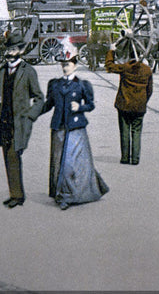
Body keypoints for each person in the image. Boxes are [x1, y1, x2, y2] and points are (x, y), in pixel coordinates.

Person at [39, 56, 109, 210]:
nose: (65, 67)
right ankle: (62, 193)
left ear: (75, 66)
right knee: (58, 161)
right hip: (58, 127)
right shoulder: (54, 84)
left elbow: (90, 105)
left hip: (76, 128)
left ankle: (67, 196)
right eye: (63, 64)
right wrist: (31, 113)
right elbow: (48, 104)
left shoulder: (83, 85)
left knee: (71, 163)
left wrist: (80, 108)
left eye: (68, 65)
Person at [0, 29, 44, 208]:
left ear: (20, 50)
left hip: (19, 123)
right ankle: (15, 194)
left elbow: (39, 98)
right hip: (2, 120)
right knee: (8, 157)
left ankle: (18, 195)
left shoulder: (28, 71)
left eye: (13, 50)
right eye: (8, 49)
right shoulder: (1, 71)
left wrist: (30, 116)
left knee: (13, 156)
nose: (10, 53)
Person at [105, 28, 154, 165]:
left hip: (124, 105)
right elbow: (150, 90)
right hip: (139, 106)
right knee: (136, 132)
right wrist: (143, 101)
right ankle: (135, 159)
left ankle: (125, 158)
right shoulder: (147, 70)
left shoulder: (125, 67)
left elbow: (109, 66)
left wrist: (111, 51)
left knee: (124, 131)